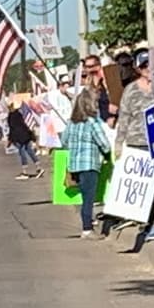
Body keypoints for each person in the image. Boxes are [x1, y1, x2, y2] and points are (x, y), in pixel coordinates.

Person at [114, 49, 154, 242]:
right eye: (144, 66)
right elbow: (124, 117)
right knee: (147, 188)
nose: (148, 69)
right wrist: (119, 144)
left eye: (150, 65)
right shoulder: (131, 90)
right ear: (138, 69)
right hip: (137, 144)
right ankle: (152, 224)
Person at [60, 88, 110, 238]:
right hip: (90, 163)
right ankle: (87, 229)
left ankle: (89, 222)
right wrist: (106, 153)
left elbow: (64, 142)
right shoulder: (92, 122)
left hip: (75, 165)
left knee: (84, 197)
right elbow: (104, 143)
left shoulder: (71, 123)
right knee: (89, 197)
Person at [7, 102, 42, 179]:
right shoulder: (21, 114)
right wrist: (32, 137)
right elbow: (26, 124)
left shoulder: (11, 116)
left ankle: (24, 171)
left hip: (19, 137)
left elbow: (12, 129)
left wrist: (9, 140)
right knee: (30, 151)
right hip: (26, 135)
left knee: (22, 152)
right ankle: (38, 167)